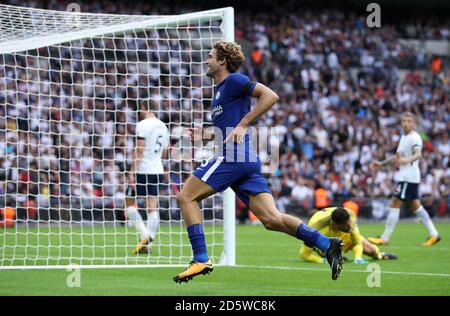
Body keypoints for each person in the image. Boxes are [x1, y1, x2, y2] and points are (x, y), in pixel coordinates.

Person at [173, 40, 343, 283]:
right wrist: (205, 134)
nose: (206, 60)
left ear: (222, 61)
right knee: (271, 220)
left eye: (210, 56)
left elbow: (270, 96)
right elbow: (228, 129)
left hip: (234, 156)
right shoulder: (219, 93)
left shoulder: (233, 80)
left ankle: (201, 258)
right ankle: (326, 243)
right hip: (245, 160)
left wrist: (244, 123)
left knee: (185, 197)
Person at [368, 112, 441, 246]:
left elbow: (418, 154)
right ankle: (434, 234)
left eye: (409, 121)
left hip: (409, 176)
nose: (406, 123)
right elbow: (397, 156)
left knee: (395, 202)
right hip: (407, 176)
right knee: (415, 206)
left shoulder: (415, 137)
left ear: (414, 123)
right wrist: (381, 163)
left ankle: (385, 237)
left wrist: (407, 160)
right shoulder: (404, 137)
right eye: (404, 121)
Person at [124, 100, 169, 255]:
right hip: (157, 169)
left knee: (128, 202)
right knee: (152, 207)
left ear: (144, 108)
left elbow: (139, 150)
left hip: (143, 169)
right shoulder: (163, 126)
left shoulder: (143, 124)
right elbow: (165, 152)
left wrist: (131, 172)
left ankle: (145, 236)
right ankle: (148, 241)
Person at [299, 207, 397, 264]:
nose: (350, 226)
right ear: (335, 224)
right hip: (326, 239)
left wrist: (358, 257)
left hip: (340, 236)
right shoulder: (314, 228)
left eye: (349, 222)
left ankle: (380, 255)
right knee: (331, 254)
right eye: (346, 224)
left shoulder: (350, 217)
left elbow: (357, 241)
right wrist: (321, 260)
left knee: (369, 250)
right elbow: (304, 254)